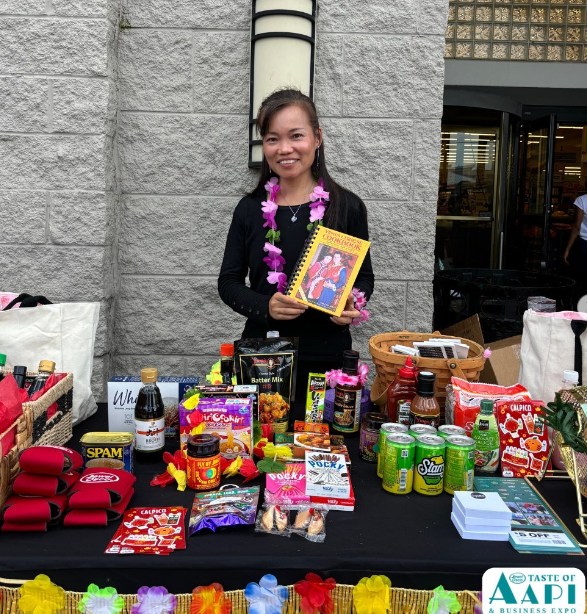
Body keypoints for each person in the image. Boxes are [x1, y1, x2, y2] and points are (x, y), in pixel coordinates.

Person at [218, 89, 374, 416]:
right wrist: (265, 306)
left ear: (317, 138)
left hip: (327, 360)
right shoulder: (249, 209)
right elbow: (228, 282)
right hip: (262, 357)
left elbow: (364, 279)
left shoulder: (346, 207)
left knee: (324, 448)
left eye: (296, 136)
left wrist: (352, 302)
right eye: (273, 138)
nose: (285, 148)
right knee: (263, 447)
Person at [563, 190, 587, 305]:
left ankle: (580, 311)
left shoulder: (582, 200)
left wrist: (568, 248)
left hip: (584, 245)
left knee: (581, 280)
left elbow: (576, 227)